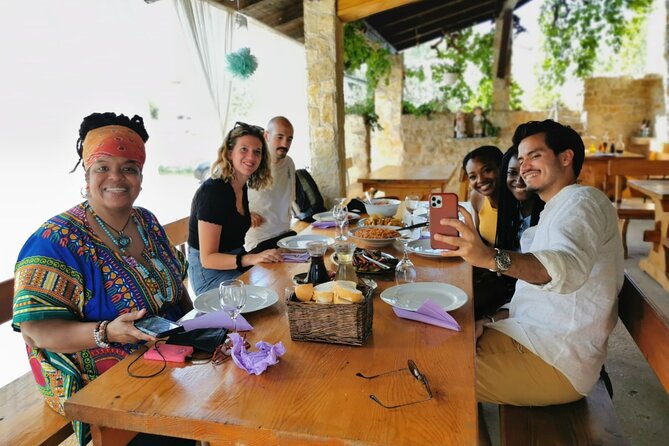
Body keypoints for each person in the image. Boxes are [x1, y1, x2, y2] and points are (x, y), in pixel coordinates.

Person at [12, 112, 195, 445]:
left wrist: (197, 332)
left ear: (141, 176)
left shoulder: (147, 222)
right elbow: (35, 331)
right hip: (99, 383)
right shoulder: (57, 240)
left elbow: (178, 288)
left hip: (165, 360)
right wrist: (106, 332)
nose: (117, 177)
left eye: (129, 168)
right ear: (87, 173)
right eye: (103, 167)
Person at [436, 119, 623, 406]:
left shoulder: (583, 202)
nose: (523, 167)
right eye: (520, 159)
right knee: (434, 345)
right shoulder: (554, 211)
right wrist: (489, 320)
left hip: (557, 360)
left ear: (566, 157)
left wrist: (488, 257)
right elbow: (533, 301)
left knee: (429, 374)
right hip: (531, 338)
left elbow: (564, 269)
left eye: (534, 155)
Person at [188, 121, 283, 296]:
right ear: (230, 153)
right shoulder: (213, 192)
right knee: (269, 301)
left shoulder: (240, 186)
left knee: (281, 282)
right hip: (210, 275)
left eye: (257, 152)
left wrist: (254, 258)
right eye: (244, 149)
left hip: (236, 265)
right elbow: (208, 258)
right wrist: (252, 258)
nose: (251, 157)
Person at [473, 146, 545, 318]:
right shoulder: (511, 209)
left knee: (470, 308)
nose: (519, 180)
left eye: (525, 173)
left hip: (530, 290)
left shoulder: (545, 216)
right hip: (505, 280)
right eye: (512, 173)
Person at [244, 116, 297, 253]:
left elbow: (290, 199)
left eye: (289, 139)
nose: (285, 144)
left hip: (286, 236)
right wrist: (243, 215)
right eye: (279, 137)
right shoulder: (251, 164)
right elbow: (221, 200)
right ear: (266, 135)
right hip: (258, 241)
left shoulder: (289, 163)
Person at [462, 145, 503, 246]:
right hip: (486, 259)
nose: (480, 180)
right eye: (473, 177)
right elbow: (479, 240)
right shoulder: (477, 197)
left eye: (487, 170)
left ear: (502, 167)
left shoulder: (519, 201)